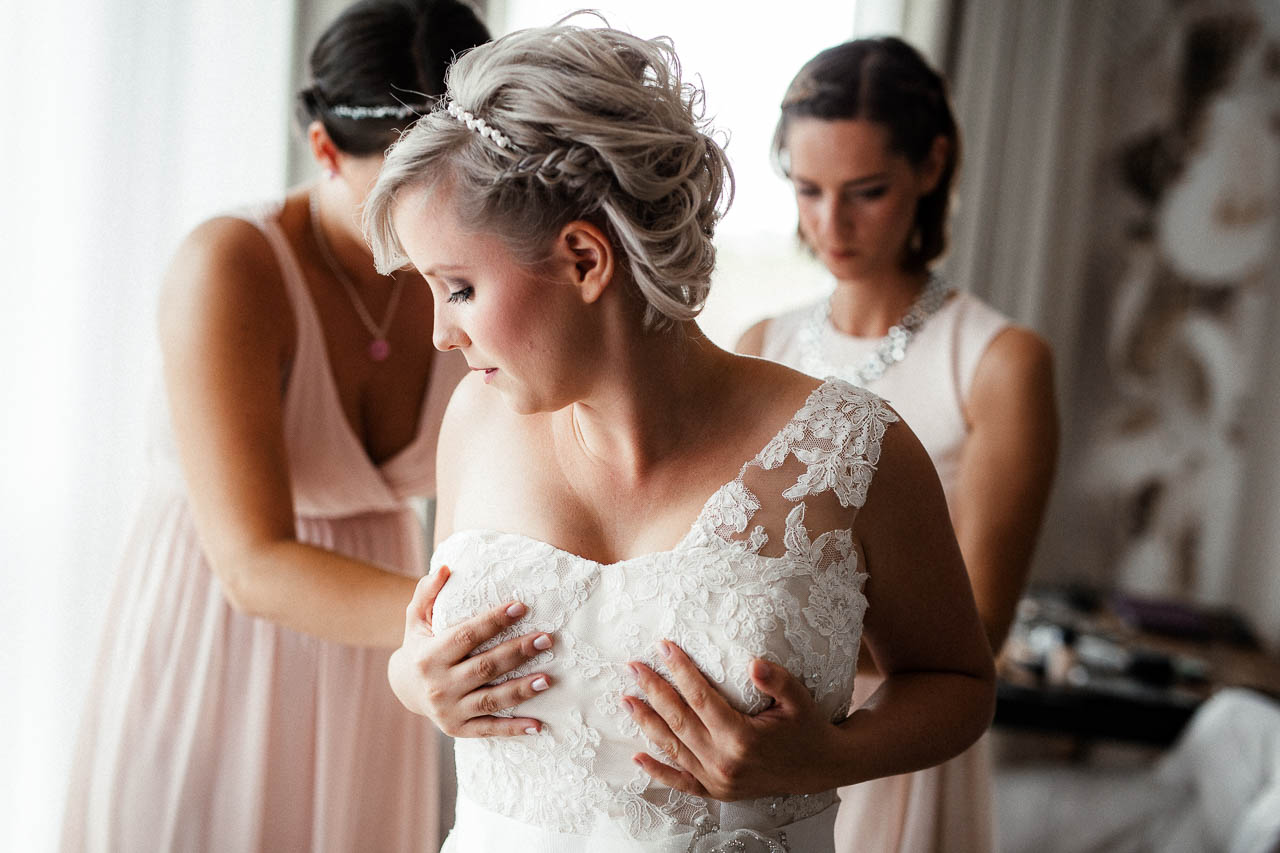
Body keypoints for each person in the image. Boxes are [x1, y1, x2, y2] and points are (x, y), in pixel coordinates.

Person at [365, 19, 997, 852]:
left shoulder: (849, 449)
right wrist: (413, 680)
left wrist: (831, 753)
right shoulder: (474, 421)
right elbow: (428, 647)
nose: (442, 335)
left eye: (458, 289)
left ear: (586, 259)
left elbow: (957, 682)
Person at [59, 2, 489, 850]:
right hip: (221, 639)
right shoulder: (231, 267)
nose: (442, 213)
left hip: (379, 661)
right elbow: (251, 563)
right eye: (403, 185)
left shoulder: (470, 270)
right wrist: (453, 628)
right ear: (325, 149)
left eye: (468, 181)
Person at [736, 37, 1059, 853]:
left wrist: (770, 647)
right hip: (755, 736)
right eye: (808, 190)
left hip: (901, 746)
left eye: (866, 191)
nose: (830, 224)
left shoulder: (996, 364)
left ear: (931, 164)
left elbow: (977, 633)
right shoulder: (761, 343)